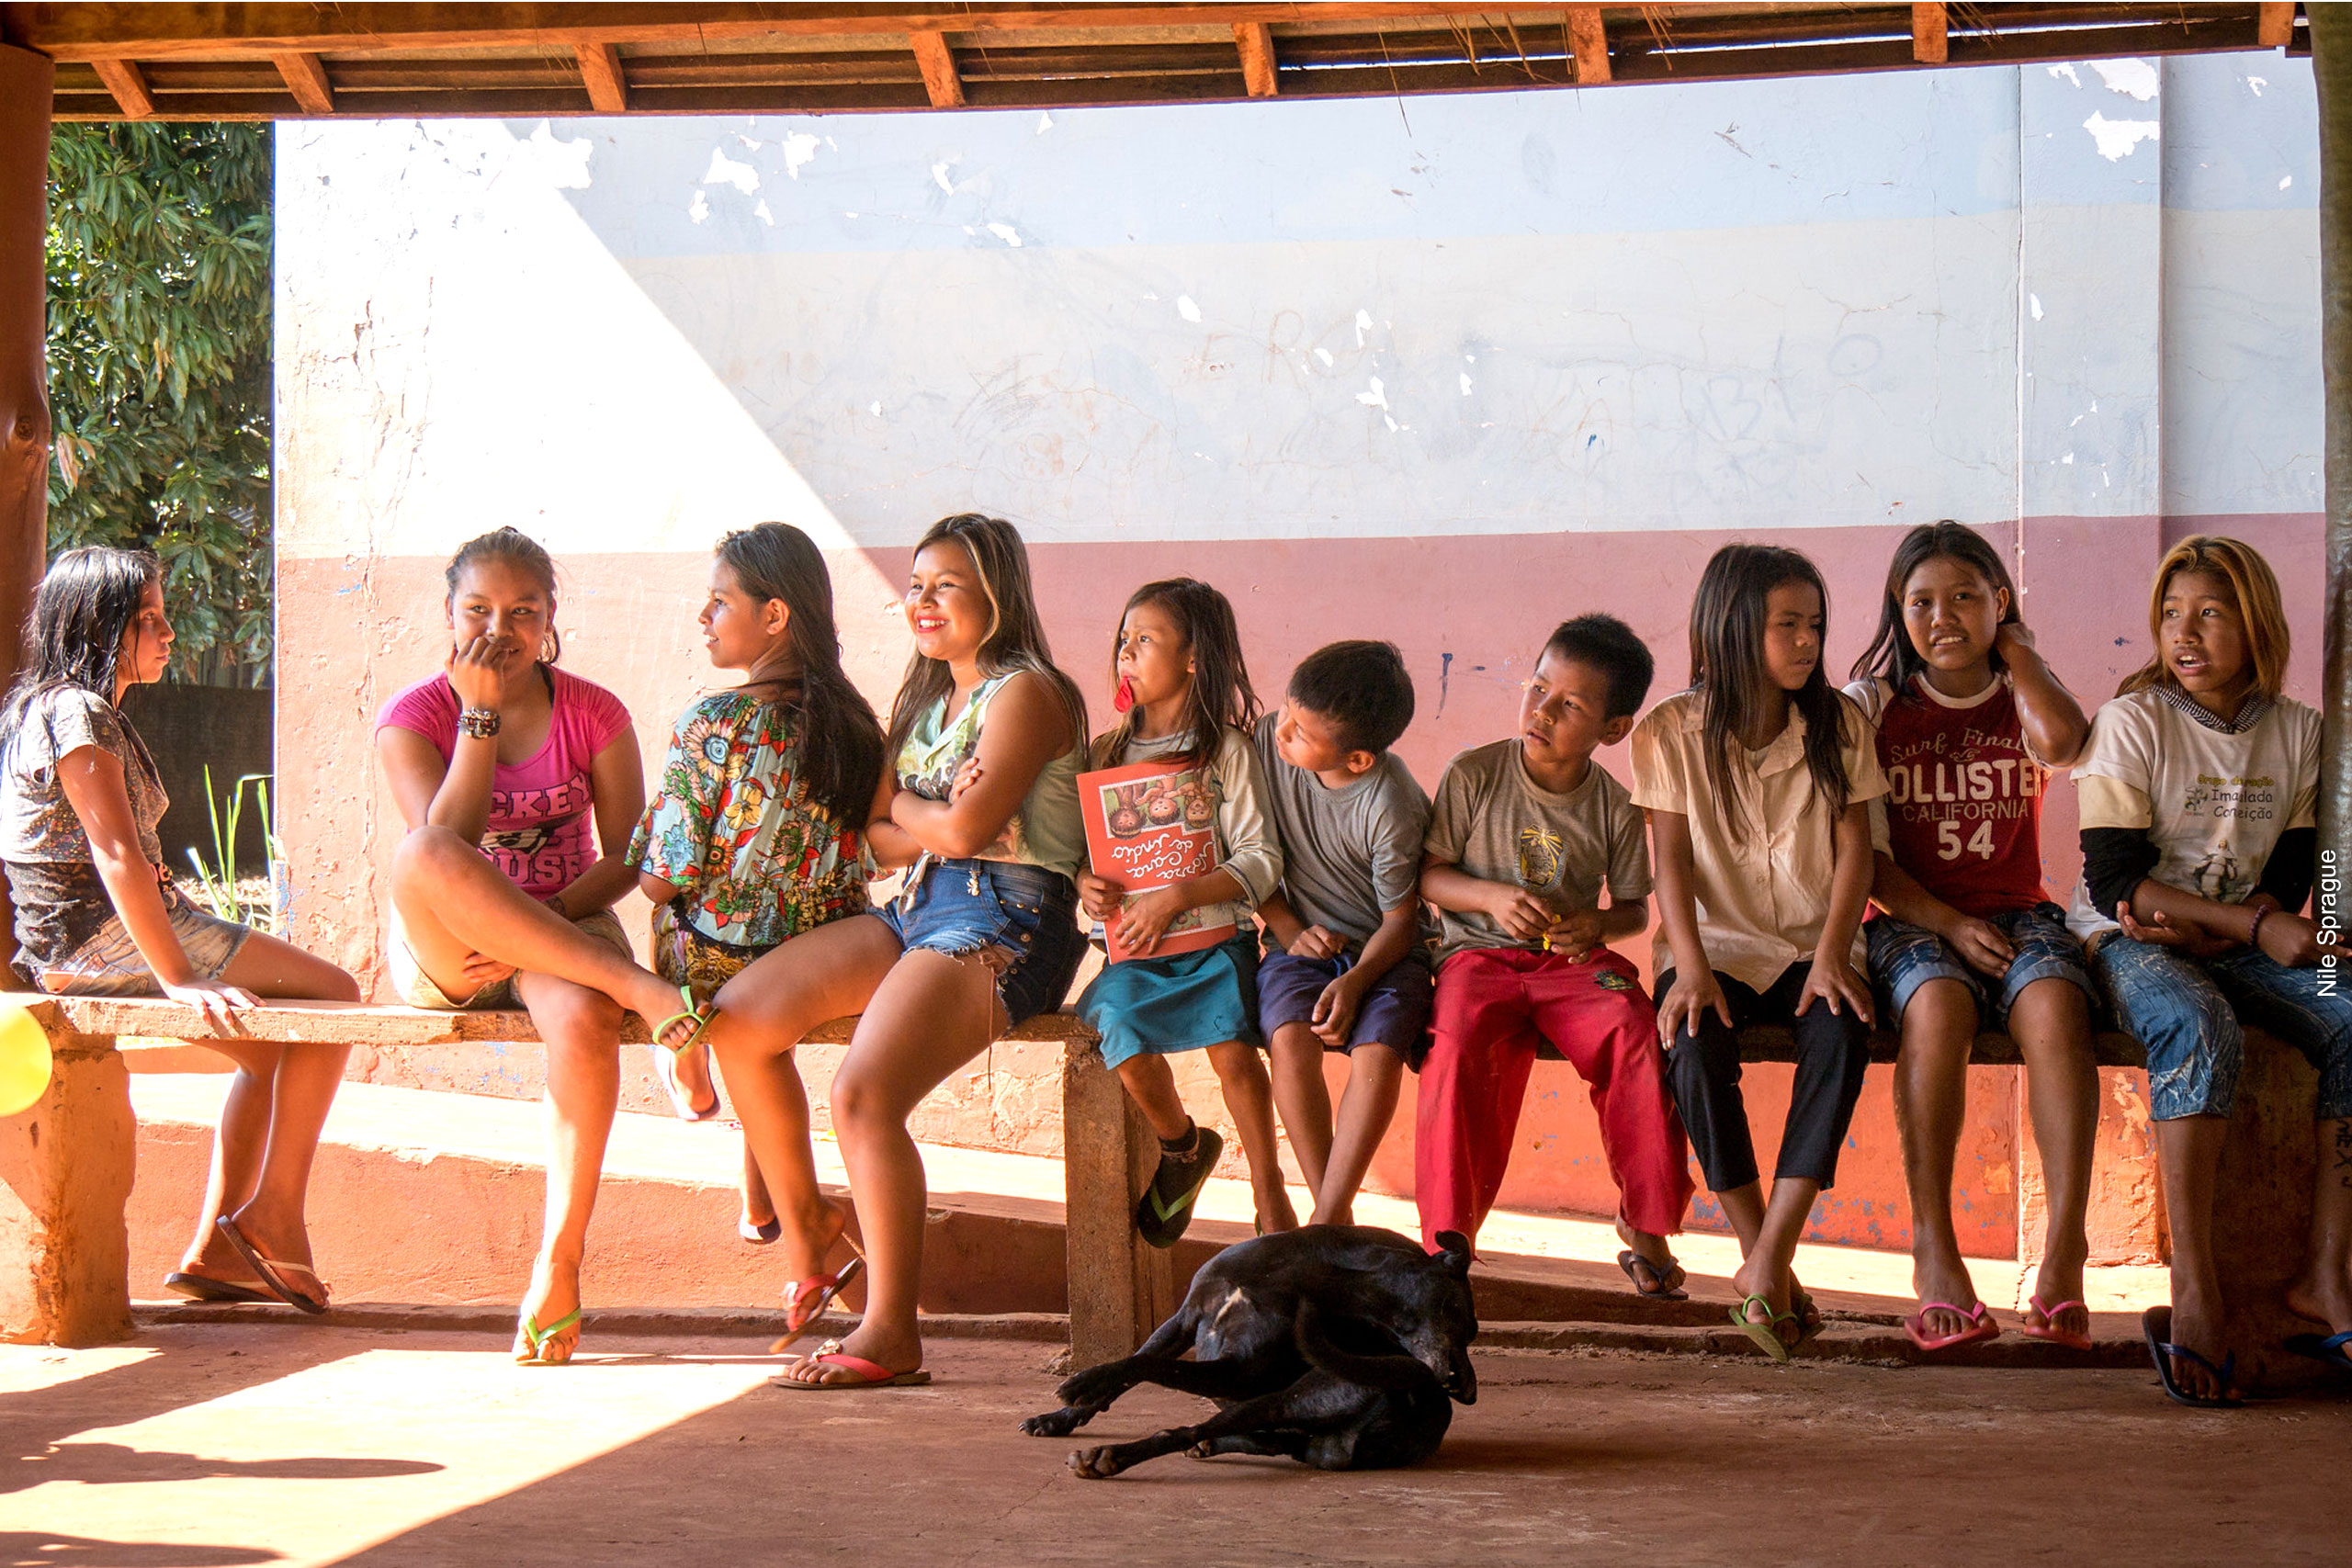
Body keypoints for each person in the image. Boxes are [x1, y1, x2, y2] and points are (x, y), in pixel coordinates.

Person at [755, 513, 1089, 1390]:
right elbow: (878, 839)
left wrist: (917, 810)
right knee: (740, 1018)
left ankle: (891, 1331)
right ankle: (813, 1224)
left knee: (862, 1096)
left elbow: (968, 827)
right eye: (916, 585)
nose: (924, 602)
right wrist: (926, 815)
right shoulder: (924, 701)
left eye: (946, 584)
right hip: (916, 909)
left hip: (1010, 920)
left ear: (996, 594)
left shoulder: (1026, 692)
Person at [0, 547, 362, 1314]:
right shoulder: (77, 712)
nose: (169, 634)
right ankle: (274, 1218)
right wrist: (179, 976)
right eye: (148, 620)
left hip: (75, 939)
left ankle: (219, 1252)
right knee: (336, 997)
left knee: (268, 1052)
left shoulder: (50, 708)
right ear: (100, 629)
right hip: (98, 936)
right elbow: (115, 851)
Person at [376, 526, 701, 1365]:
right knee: (420, 852)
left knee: (586, 1019)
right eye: (479, 608)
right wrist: (477, 716)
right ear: (448, 615)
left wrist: (542, 923)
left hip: (565, 928)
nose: (501, 628)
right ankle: (647, 989)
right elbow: (444, 847)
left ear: (551, 619)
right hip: (455, 944)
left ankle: (559, 1263)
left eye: (523, 611)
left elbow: (630, 854)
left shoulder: (593, 711)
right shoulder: (415, 716)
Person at [2063, 536, 2348, 1407]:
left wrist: (2282, 923)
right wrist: (2251, 924)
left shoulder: (2300, 733)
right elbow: (2114, 882)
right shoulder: (2133, 722)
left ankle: (2326, 1278)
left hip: (2239, 935)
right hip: (2130, 941)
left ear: (2257, 622)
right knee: (2198, 1022)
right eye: (2172, 614)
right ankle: (2195, 1287)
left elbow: (2304, 869)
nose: (2184, 634)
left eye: (2211, 614)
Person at [627, 523, 885, 1340]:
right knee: (759, 1029)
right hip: (829, 954)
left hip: (718, 962)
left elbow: (662, 876)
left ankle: (689, 1058)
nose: (704, 615)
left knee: (699, 971)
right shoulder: (855, 720)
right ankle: (779, 1212)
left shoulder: (712, 725)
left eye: (720, 600)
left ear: (774, 616)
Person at [1846, 521, 2098, 1354]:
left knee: (2059, 1005)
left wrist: (2020, 652)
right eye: (1920, 601)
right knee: (1938, 1008)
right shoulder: (1876, 706)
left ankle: (2064, 1252)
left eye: (1965, 597)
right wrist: (1948, 923)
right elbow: (1865, 859)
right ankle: (1934, 1249)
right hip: (1916, 916)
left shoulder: (2022, 695)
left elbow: (2064, 742)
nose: (1942, 616)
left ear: (2000, 603)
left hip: (2018, 911)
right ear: (1897, 609)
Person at [1631, 543, 1886, 1360]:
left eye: (1814, 624)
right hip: (1714, 948)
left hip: (1816, 942)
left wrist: (1835, 953)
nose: (1807, 641)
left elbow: (1857, 852)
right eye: (1787, 624)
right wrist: (1693, 964)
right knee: (1694, 1049)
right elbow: (1669, 859)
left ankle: (1767, 1259)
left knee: (1841, 1036)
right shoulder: (1670, 730)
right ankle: (1765, 1259)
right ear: (1733, 627)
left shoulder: (1840, 721)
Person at [1417, 615, 1692, 1287]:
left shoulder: (1620, 807)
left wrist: (1593, 926)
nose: (1541, 710)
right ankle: (1447, 1246)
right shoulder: (1474, 773)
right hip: (1476, 958)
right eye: (1538, 687)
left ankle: (1647, 1230)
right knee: (1453, 1049)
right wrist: (1488, 897)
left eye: (1570, 704)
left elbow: (1631, 908)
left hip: (1568, 965)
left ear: (1613, 728)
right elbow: (1430, 875)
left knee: (1633, 1030)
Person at [1072, 579, 1292, 1245]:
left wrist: (1179, 894)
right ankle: (1183, 1147)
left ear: (1194, 658)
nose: (1125, 652)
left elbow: (1259, 857)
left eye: (1145, 640)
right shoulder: (1105, 755)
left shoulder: (1224, 749)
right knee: (1113, 1028)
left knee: (1231, 1047)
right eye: (1123, 639)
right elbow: (1075, 858)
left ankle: (1269, 1186)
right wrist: (1086, 882)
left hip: (1214, 941)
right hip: (1136, 952)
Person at [1255, 640, 1431, 1228]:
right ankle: (1335, 1217)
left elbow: (1401, 921)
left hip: (1386, 955)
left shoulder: (1390, 806)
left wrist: (1356, 982)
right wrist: (1289, 929)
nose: (1282, 735)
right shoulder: (1268, 740)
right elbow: (1243, 850)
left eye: (1301, 733)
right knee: (1289, 1040)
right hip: (1297, 944)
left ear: (1356, 760)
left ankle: (1327, 1218)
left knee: (1377, 1053)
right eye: (1286, 712)